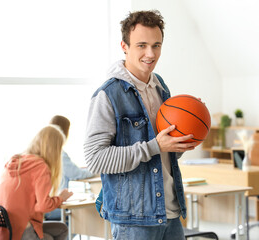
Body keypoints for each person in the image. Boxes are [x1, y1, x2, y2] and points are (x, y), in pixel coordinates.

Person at [84, 10, 198, 240]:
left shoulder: (160, 87)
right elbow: (95, 159)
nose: (150, 53)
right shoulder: (109, 95)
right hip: (133, 219)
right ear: (124, 46)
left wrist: (188, 132)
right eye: (142, 45)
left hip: (170, 212)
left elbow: (164, 155)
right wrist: (154, 146)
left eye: (156, 45)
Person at [0, 125, 73, 240]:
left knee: (61, 229)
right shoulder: (40, 166)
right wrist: (60, 198)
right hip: (21, 230)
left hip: (3, 232)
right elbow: (43, 206)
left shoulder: (15, 161)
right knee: (50, 237)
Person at [45, 115, 95, 221]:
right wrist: (96, 169)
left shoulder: (44, 152)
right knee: (78, 219)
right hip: (53, 208)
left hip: (46, 206)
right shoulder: (59, 154)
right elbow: (77, 174)